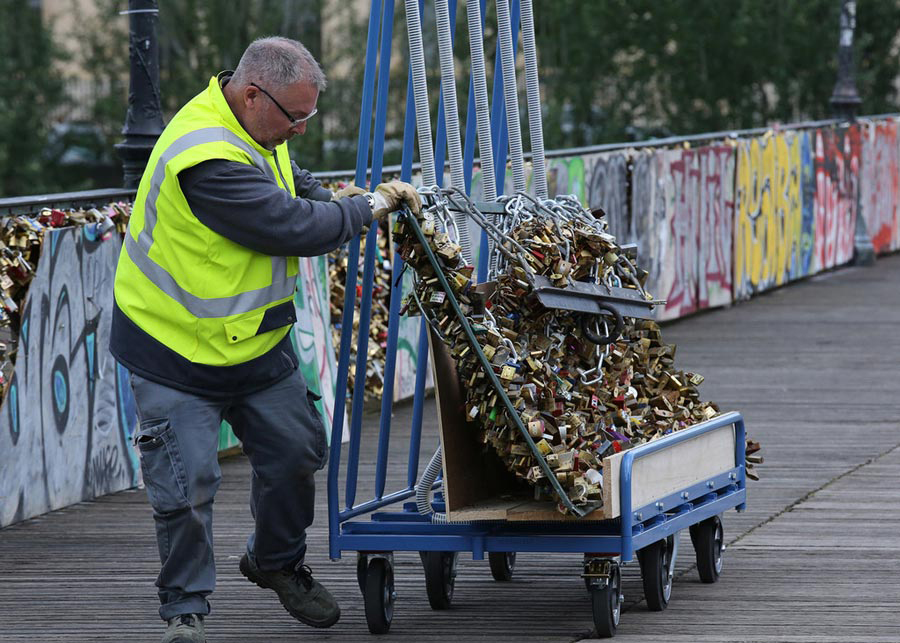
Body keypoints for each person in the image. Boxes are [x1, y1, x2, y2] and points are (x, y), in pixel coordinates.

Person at [110, 36, 421, 643]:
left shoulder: (255, 128)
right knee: (187, 482)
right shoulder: (204, 157)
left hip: (253, 345)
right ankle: (185, 612)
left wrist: (327, 194)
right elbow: (290, 226)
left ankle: (274, 562)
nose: (301, 129)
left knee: (297, 452)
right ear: (254, 95)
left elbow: (290, 180)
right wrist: (372, 205)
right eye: (296, 117)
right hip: (173, 349)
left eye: (309, 115)